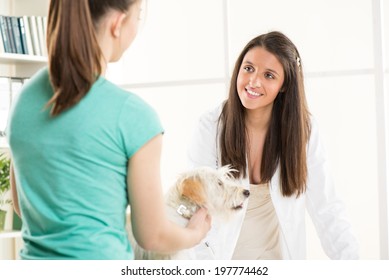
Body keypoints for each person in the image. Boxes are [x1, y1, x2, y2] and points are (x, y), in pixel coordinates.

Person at [6, 0, 211, 260]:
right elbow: (152, 235)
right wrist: (195, 232)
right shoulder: (133, 116)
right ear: (117, 23)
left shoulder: (24, 100)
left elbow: (22, 206)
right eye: (139, 15)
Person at [187, 31, 359, 260]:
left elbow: (328, 210)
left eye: (269, 75)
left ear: (284, 85)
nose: (253, 81)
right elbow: (197, 208)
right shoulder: (211, 127)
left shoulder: (303, 131)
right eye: (248, 68)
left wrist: (355, 267)